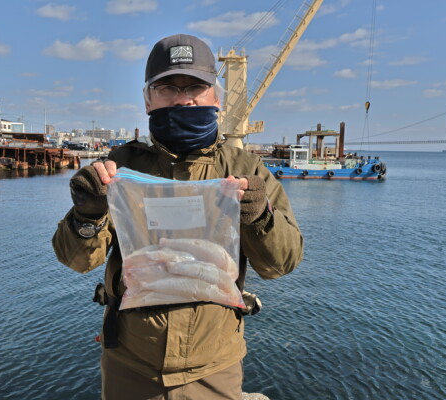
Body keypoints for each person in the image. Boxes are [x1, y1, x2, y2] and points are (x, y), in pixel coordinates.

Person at [52, 33, 304, 400]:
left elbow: (282, 262)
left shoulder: (246, 170)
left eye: (196, 87)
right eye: (168, 87)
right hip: (130, 364)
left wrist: (260, 216)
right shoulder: (118, 168)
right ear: (147, 99)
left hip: (214, 368)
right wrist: (87, 214)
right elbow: (75, 260)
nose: (184, 98)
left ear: (216, 96)